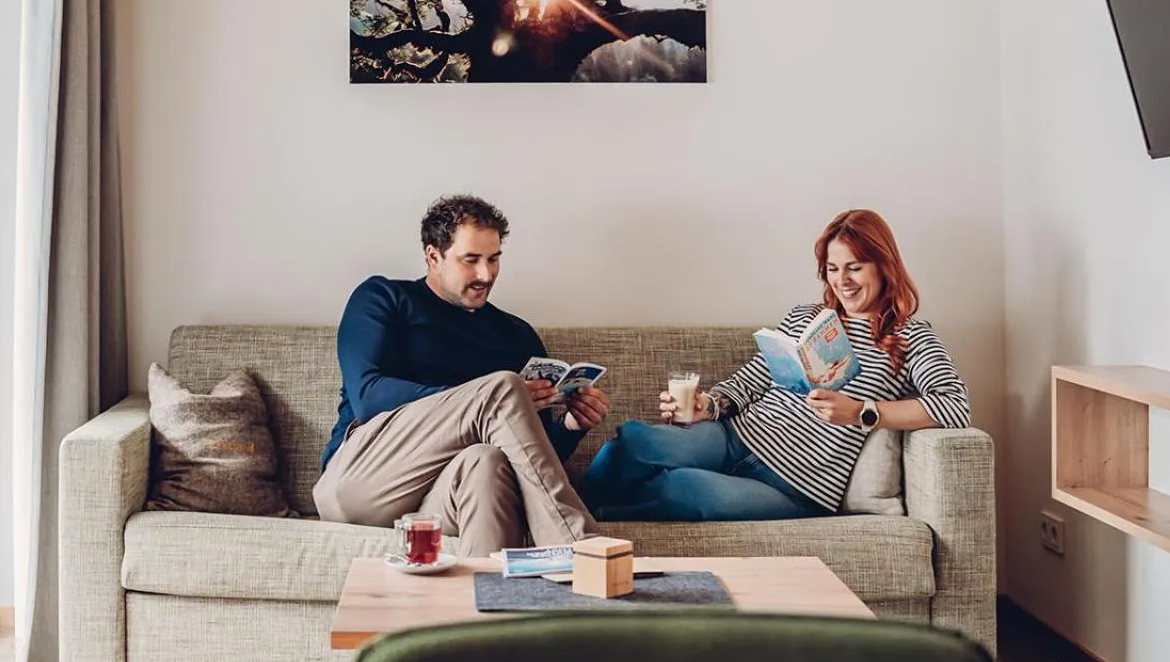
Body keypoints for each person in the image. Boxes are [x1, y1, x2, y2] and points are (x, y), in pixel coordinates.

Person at [583, 209, 970, 521]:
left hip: (796, 486)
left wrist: (862, 413)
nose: (842, 281)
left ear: (884, 266)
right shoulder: (806, 317)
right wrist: (709, 405)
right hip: (735, 438)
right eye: (833, 269)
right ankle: (565, 520)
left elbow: (955, 406)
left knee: (680, 489)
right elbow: (751, 380)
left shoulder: (912, 336)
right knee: (633, 441)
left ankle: (594, 521)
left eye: (854, 267)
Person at [313, 195, 610, 554]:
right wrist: (481, 400)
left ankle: (491, 603)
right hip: (364, 483)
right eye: (471, 260)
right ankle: (582, 550)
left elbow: (530, 464)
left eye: (494, 259)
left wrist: (569, 428)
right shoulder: (384, 298)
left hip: (442, 501)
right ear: (433, 256)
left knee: (487, 462)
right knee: (502, 389)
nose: (485, 275)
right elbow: (367, 396)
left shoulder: (517, 335)